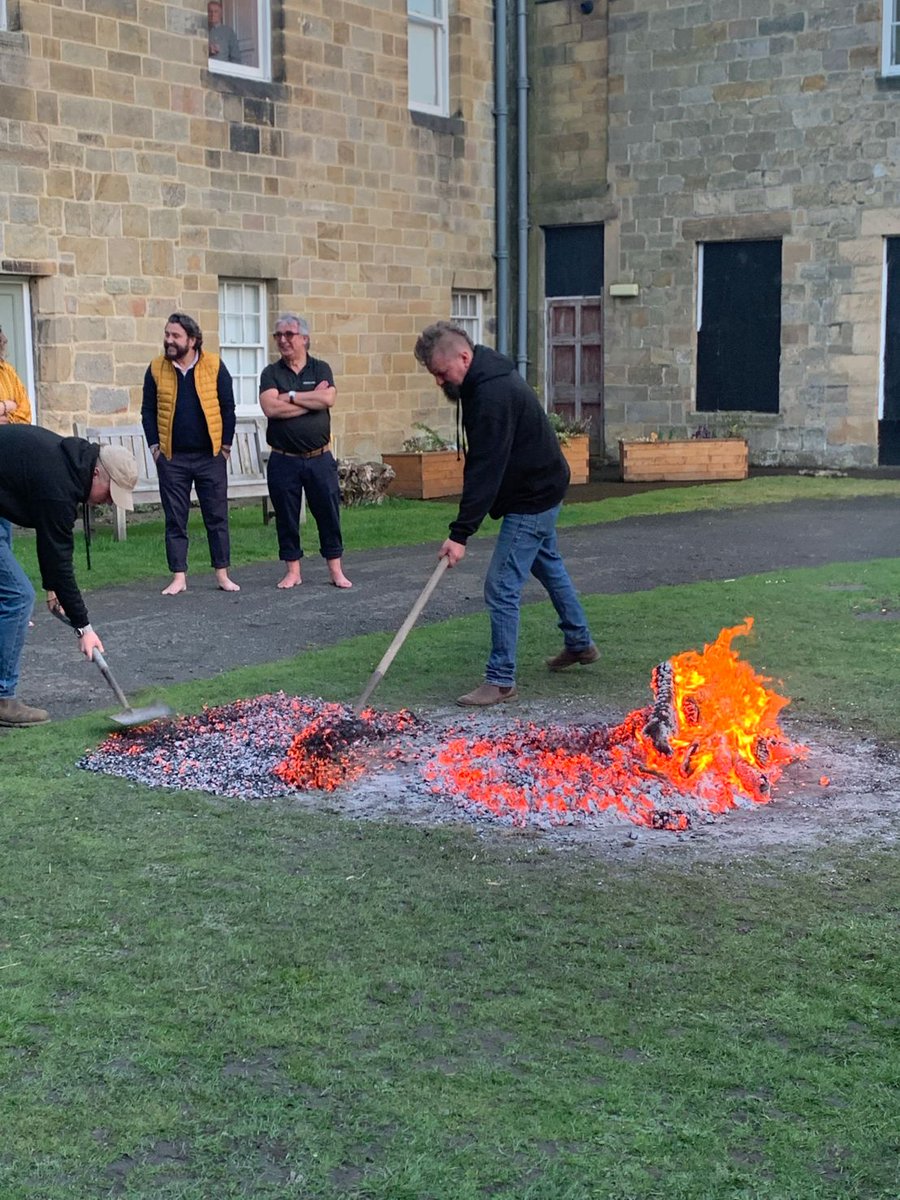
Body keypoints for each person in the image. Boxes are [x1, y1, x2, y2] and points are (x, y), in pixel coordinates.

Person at [414, 321, 598, 707]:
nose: (439, 382)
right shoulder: (483, 380)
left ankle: (500, 680)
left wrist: (460, 534)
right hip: (541, 485)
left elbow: (485, 467)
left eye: (441, 373)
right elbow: (488, 465)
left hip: (533, 495)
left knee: (501, 585)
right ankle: (580, 642)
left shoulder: (493, 393)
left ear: (464, 357)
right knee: (547, 564)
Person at [0, 425, 138, 727]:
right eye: (111, 494)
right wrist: (84, 626)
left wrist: (53, 591)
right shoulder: (59, 487)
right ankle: (3, 698)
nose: (109, 502)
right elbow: (60, 561)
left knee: (8, 598)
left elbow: (49, 545)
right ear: (97, 474)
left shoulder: (70, 463)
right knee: (18, 597)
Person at [141, 312, 240, 596]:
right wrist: (155, 449)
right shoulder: (156, 368)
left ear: (193, 340)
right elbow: (147, 411)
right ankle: (178, 576)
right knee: (175, 518)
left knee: (217, 516)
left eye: (176, 336)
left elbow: (228, 408)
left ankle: (222, 574)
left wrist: (225, 448)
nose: (169, 341)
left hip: (211, 457)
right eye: (167, 334)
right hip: (173, 459)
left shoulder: (214, 366)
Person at [259, 314, 352, 589]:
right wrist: (309, 402)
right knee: (286, 516)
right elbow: (270, 408)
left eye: (289, 334)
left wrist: (288, 396)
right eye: (279, 336)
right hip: (283, 458)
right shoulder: (271, 373)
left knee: (328, 514)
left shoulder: (320, 368)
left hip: (319, 457)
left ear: (304, 339)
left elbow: (328, 398)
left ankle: (335, 570)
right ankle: (293, 571)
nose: (283, 340)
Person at [0, 326, 32, 427]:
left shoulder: (8, 371)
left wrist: (4, 410)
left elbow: (26, 414)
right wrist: (7, 405)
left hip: (11, 437)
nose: (5, 340)